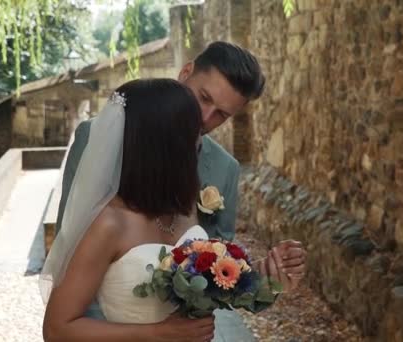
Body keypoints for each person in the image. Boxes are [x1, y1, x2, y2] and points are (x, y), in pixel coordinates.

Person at [41, 78, 289, 341]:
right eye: (191, 130)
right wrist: (156, 334)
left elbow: (203, 289)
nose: (200, 138)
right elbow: (57, 329)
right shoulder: (110, 222)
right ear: (165, 143)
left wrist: (263, 276)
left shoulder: (184, 208)